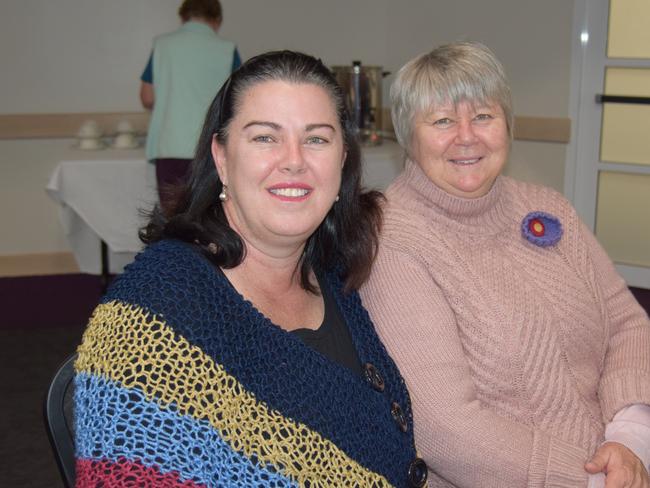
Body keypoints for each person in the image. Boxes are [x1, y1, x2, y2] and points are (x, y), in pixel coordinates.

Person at [73, 50, 429, 487]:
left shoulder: (334, 274)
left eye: (317, 138)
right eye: (265, 138)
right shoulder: (154, 320)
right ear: (222, 158)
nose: (294, 160)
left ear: (342, 159)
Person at [360, 41, 650, 488]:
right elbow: (445, 430)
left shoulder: (546, 206)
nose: (466, 135)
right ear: (406, 134)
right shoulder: (393, 241)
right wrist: (590, 479)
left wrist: (631, 438)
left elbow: (628, 323)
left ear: (507, 124)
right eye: (441, 121)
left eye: (483, 115)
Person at [140, 0, 241, 212]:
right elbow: (240, 99)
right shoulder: (227, 50)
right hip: (212, 147)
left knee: (173, 215)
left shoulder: (162, 46)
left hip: (171, 145)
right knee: (211, 217)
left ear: (183, 17)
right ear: (217, 20)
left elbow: (147, 97)